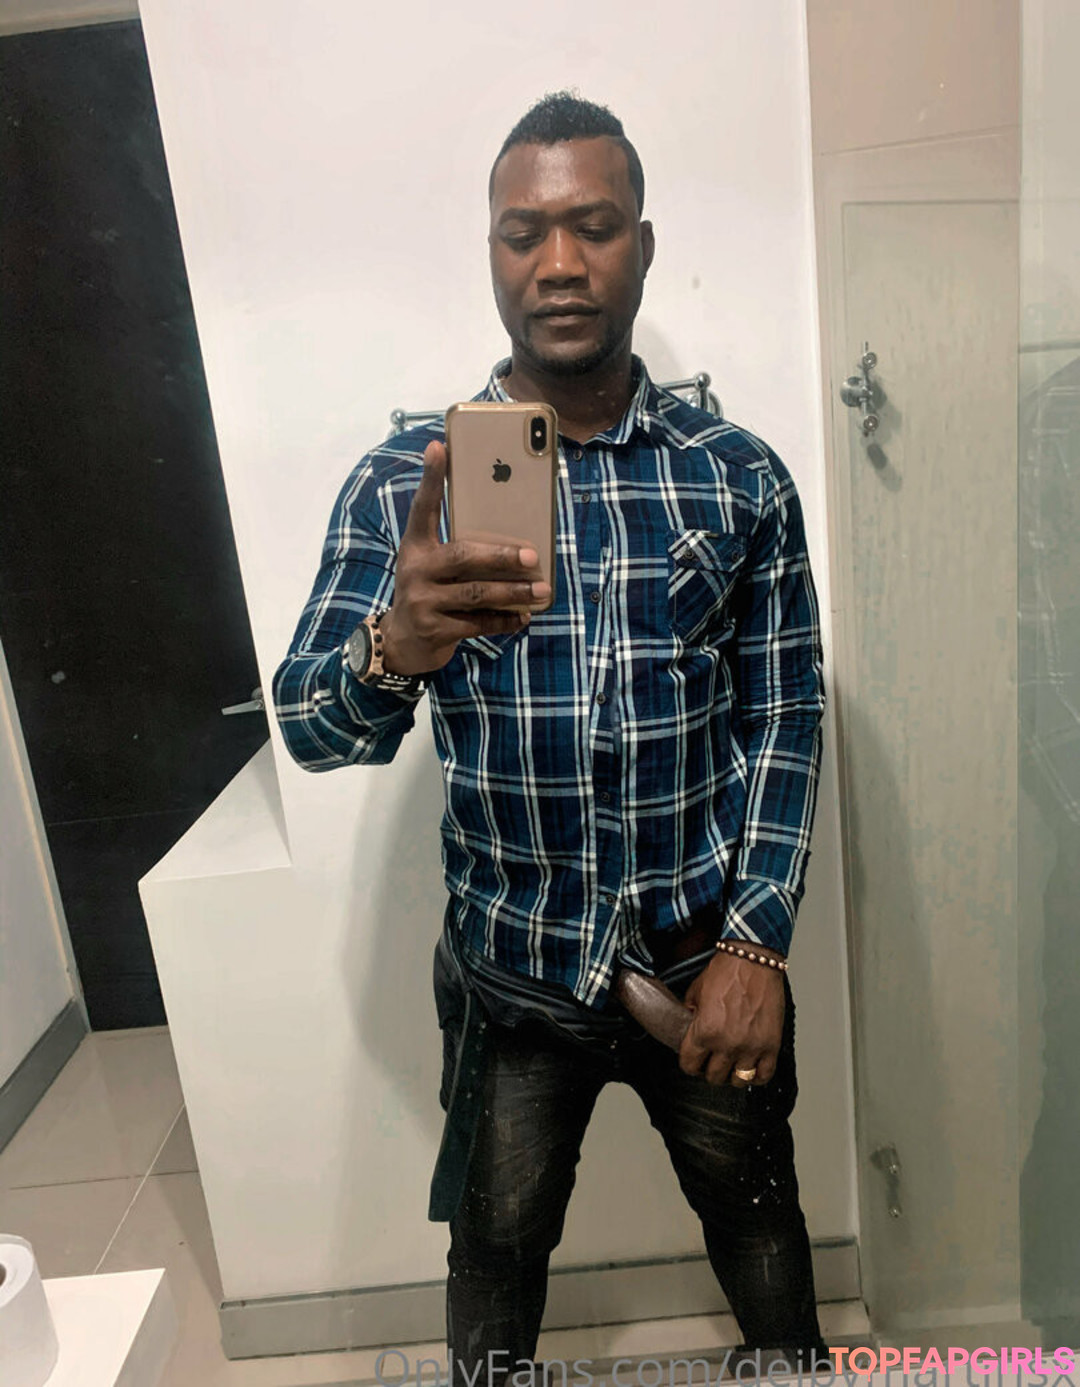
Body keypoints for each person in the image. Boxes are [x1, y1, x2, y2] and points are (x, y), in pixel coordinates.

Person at [273, 92, 829, 1381]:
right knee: (497, 1252)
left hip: (705, 964)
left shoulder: (737, 475)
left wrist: (758, 941)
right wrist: (396, 646)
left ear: (644, 243)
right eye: (525, 234)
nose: (561, 263)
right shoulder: (408, 482)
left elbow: (787, 711)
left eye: (595, 226)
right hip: (514, 974)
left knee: (763, 1236)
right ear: (491, 254)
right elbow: (309, 728)